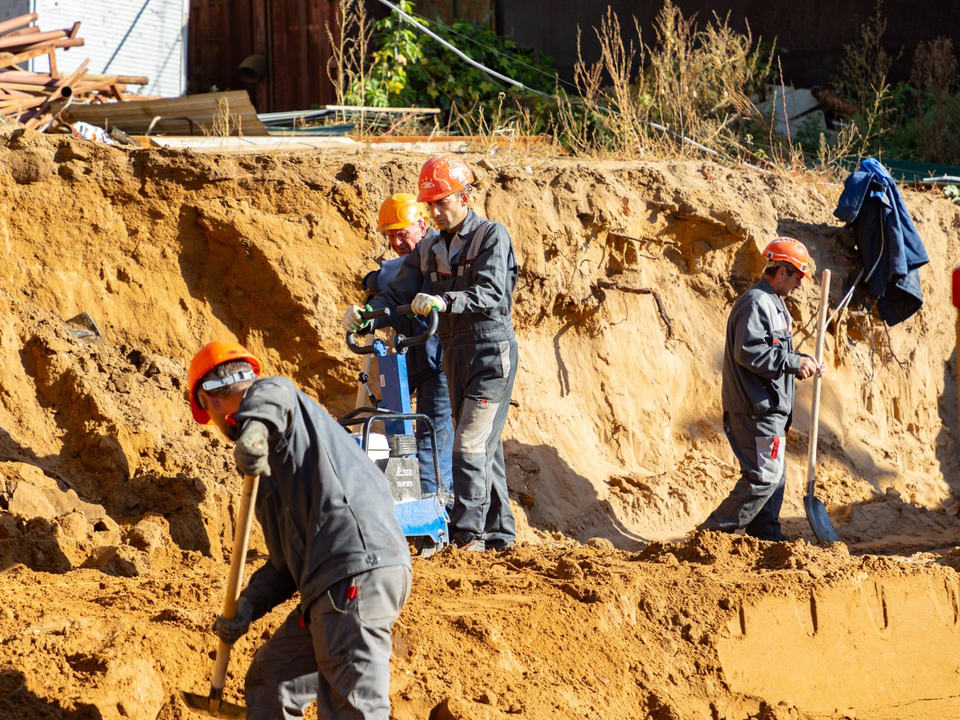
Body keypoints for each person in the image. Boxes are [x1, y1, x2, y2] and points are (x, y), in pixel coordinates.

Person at [187, 340, 411, 720]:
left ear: (213, 401)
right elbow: (283, 565)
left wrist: (253, 429)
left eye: (210, 413)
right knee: (272, 679)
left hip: (354, 567)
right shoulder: (270, 472)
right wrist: (247, 606)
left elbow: (274, 391)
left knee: (353, 709)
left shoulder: (272, 396)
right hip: (327, 582)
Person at [343, 154, 519, 552]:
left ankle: (467, 537)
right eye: (431, 205)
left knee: (469, 444)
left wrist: (444, 302)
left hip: (491, 351)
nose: (437, 212)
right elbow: (396, 294)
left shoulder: (491, 236)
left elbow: (493, 293)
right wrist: (365, 315)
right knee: (484, 447)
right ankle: (501, 536)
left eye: (443, 202)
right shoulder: (429, 250)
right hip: (455, 352)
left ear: (465, 196)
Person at [698, 238, 826, 542]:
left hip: (771, 409)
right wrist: (795, 362)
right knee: (764, 478)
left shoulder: (776, 304)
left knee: (776, 477)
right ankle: (711, 535)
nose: (799, 285)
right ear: (781, 271)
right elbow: (750, 352)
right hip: (754, 409)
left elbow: (775, 356)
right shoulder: (756, 303)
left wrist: (802, 362)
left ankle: (765, 536)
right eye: (797, 277)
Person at [359, 193, 454, 499]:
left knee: (431, 434)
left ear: (422, 225)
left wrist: (375, 280)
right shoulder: (414, 259)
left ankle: (435, 506)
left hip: (442, 360)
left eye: (402, 233)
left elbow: (387, 275)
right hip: (417, 357)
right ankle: (413, 502)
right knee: (402, 430)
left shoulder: (440, 249)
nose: (397, 241)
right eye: (390, 236)